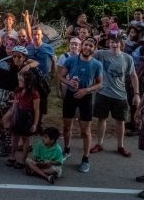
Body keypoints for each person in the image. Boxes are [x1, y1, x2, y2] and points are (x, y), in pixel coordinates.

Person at [58, 37, 103, 173]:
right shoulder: (71, 60)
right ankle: (66, 150)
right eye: (86, 45)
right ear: (81, 46)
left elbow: (100, 83)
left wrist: (86, 90)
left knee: (85, 131)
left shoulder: (97, 64)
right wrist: (68, 82)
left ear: (94, 49)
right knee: (67, 127)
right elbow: (60, 76)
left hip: (86, 97)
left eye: (91, 46)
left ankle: (85, 159)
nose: (87, 48)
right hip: (71, 96)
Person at [91, 34, 140, 158]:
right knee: (101, 119)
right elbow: (88, 52)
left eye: (116, 42)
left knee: (120, 121)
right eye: (112, 42)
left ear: (121, 44)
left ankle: (121, 146)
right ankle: (99, 144)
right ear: (108, 43)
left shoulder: (127, 58)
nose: (114, 44)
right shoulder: (101, 54)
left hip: (120, 95)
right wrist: (94, 41)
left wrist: (136, 94)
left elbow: (133, 76)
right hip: (103, 93)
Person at [5, 71, 40, 170]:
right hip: (17, 115)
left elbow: (37, 110)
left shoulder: (34, 93)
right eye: (19, 80)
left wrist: (35, 124)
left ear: (28, 81)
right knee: (15, 137)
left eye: (21, 80)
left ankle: (23, 160)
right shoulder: (18, 90)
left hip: (27, 117)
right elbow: (16, 102)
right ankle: (12, 157)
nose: (19, 82)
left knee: (26, 139)